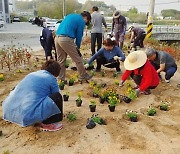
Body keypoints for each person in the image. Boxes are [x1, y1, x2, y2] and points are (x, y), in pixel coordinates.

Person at [2, 60, 63, 132]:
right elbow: (55, 95)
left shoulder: (31, 74)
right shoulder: (51, 78)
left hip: (8, 111)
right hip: (26, 115)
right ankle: (48, 123)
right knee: (57, 97)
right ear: (56, 72)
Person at [55, 11, 92, 82]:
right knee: (78, 59)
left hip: (57, 37)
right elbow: (79, 35)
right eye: (87, 21)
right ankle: (83, 76)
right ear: (86, 17)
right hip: (66, 39)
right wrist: (77, 47)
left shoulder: (70, 15)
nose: (85, 23)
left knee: (61, 60)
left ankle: (60, 79)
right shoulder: (81, 20)